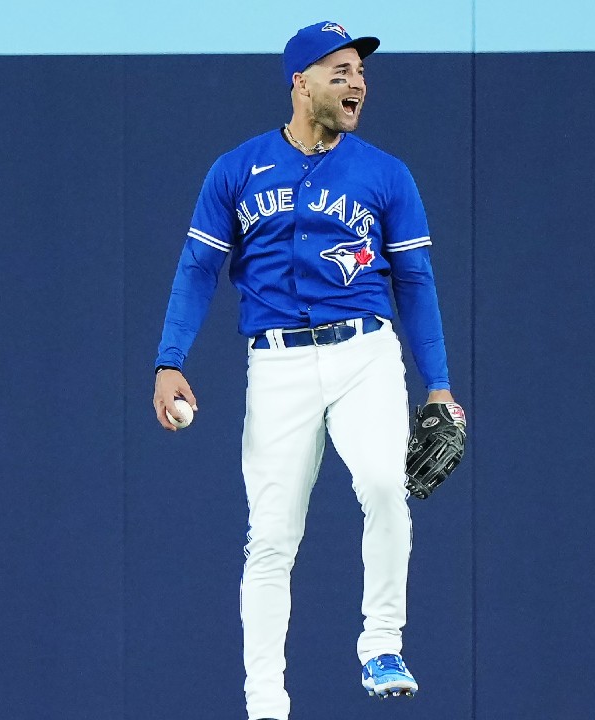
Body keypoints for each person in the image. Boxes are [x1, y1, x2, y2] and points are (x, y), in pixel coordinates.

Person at [151, 20, 461, 720]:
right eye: (339, 70)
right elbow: (199, 268)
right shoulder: (237, 169)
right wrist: (170, 359)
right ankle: (265, 703)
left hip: (364, 352)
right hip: (278, 365)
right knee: (270, 535)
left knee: (385, 484)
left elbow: (415, 281)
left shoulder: (386, 173)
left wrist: (437, 382)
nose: (356, 82)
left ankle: (381, 642)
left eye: (359, 71)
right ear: (299, 81)